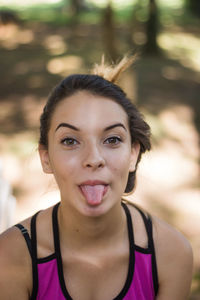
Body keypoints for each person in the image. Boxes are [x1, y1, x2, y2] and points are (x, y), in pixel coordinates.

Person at [0, 55, 193, 300]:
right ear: (46, 158)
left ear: (133, 154)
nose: (94, 158)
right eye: (70, 141)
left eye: (112, 139)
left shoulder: (171, 253)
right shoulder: (10, 257)